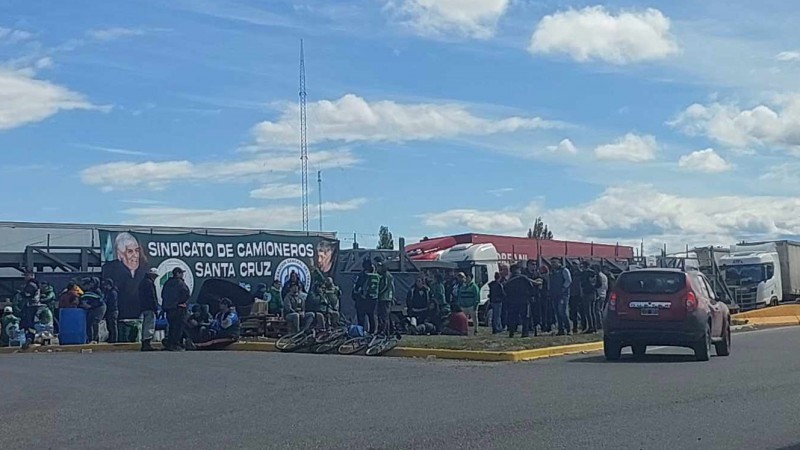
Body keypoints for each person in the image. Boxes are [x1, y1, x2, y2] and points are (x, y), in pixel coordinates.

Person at [101, 232, 147, 328]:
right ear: (119, 254)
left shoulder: (144, 271)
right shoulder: (111, 270)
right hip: (120, 314)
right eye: (130, 251)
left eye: (137, 251)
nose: (135, 255)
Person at [162, 267, 191, 351]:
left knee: (171, 327)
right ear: (177, 273)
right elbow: (186, 294)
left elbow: (163, 295)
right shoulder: (180, 283)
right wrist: (180, 302)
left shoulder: (167, 283)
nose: (182, 275)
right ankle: (175, 344)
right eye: (181, 273)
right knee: (178, 327)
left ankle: (170, 344)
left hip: (169, 309)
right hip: (178, 308)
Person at [504, 264, 536, 338]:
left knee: (512, 317)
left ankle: (511, 332)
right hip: (524, 301)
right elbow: (531, 287)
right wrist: (532, 296)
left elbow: (505, 291)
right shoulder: (524, 278)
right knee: (525, 317)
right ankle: (525, 333)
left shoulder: (509, 280)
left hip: (512, 301)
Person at [549, 258, 572, 336]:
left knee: (562, 312)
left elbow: (568, 280)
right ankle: (560, 329)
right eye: (552, 262)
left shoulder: (564, 270)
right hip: (554, 294)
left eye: (554, 262)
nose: (553, 264)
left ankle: (569, 329)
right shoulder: (552, 272)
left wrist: (563, 288)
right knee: (557, 313)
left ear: (559, 262)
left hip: (563, 295)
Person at [138, 268, 159, 351]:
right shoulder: (149, 283)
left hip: (143, 307)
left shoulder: (142, 282)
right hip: (150, 307)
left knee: (145, 325)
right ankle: (147, 344)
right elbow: (152, 297)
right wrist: (155, 307)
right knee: (149, 325)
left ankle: (145, 343)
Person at [81, 278, 106, 344]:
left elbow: (99, 301)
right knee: (89, 323)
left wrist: (90, 305)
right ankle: (90, 338)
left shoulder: (97, 291)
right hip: (92, 308)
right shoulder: (90, 290)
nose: (90, 284)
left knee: (95, 322)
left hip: (99, 308)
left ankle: (95, 339)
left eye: (92, 283)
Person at [376, 261, 395, 336]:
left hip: (385, 298)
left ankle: (383, 331)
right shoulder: (387, 275)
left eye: (380, 266)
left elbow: (385, 286)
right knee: (386, 316)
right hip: (387, 298)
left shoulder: (386, 275)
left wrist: (379, 293)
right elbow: (393, 287)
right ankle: (388, 331)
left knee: (384, 316)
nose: (378, 268)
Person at [579, 262, 598, 333]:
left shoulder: (584, 273)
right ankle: (594, 327)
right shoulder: (593, 273)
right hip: (593, 293)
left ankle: (590, 327)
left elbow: (582, 283)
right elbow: (596, 283)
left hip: (587, 293)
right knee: (593, 311)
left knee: (588, 311)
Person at [101, 279, 119, 343]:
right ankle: (111, 337)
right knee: (109, 325)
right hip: (109, 311)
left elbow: (112, 303)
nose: (105, 287)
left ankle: (114, 339)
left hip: (113, 311)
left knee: (113, 326)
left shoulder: (113, 292)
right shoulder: (108, 292)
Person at [569, 262, 584, 334]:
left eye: (576, 264)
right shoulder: (570, 273)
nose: (574, 266)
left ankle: (584, 326)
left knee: (582, 311)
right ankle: (575, 327)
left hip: (580, 295)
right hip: (572, 294)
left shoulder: (582, 273)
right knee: (573, 312)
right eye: (573, 264)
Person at [594, 265, 609, 331]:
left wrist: (593, 286)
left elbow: (598, 285)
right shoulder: (604, 276)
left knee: (597, 310)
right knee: (601, 310)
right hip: (604, 294)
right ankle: (603, 323)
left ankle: (599, 324)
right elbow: (606, 287)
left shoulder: (599, 276)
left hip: (599, 295)